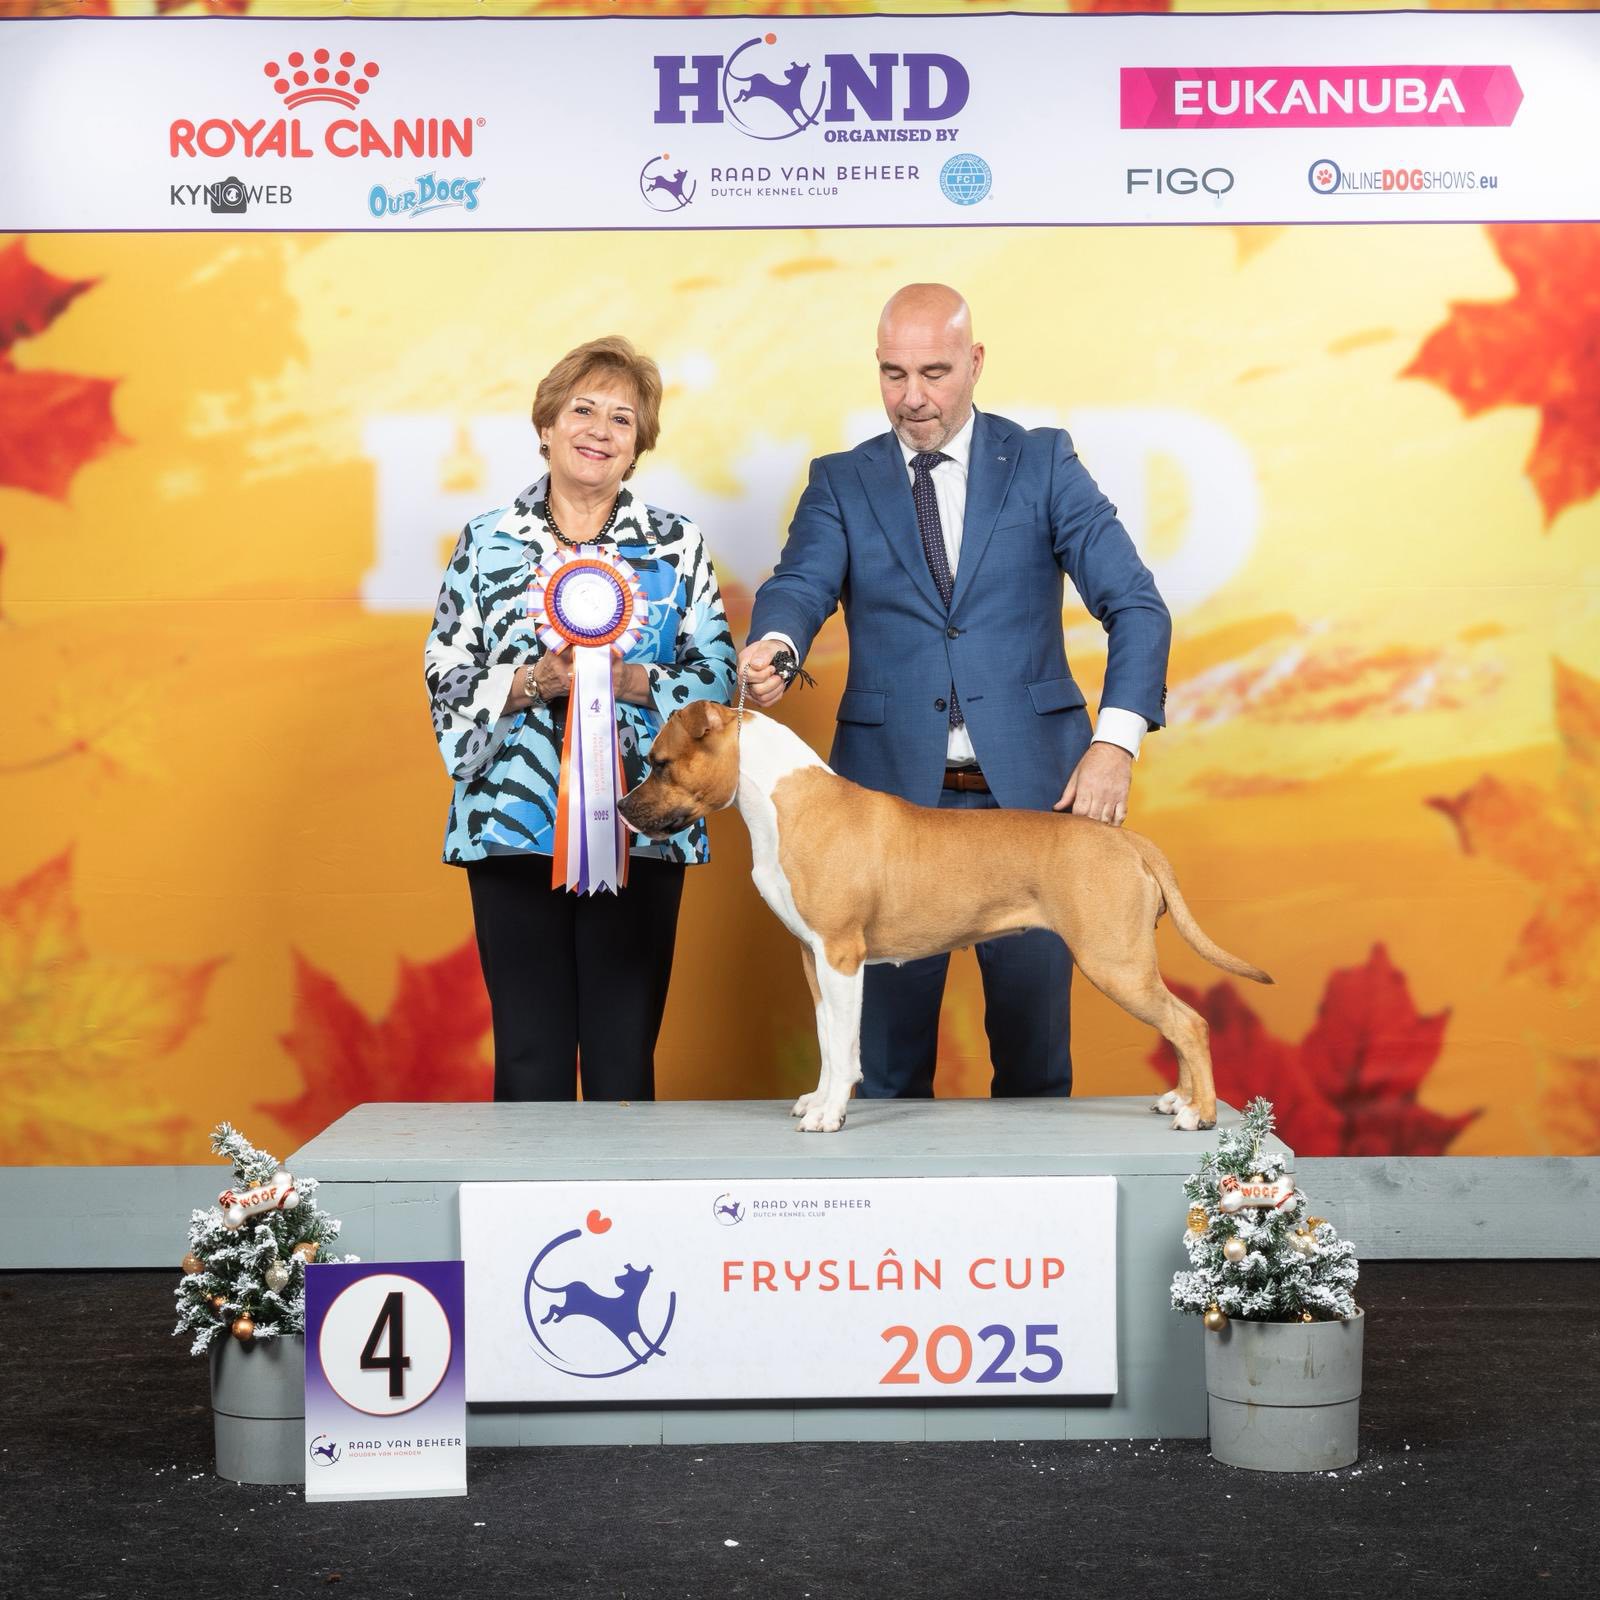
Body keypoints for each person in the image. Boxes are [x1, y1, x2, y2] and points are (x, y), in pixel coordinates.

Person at [740, 284, 1170, 1101]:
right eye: (893, 374)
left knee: (1035, 1069)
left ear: (975, 362)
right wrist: (778, 643)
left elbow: (1137, 606)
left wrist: (1114, 743)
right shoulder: (841, 480)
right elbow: (799, 583)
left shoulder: (1044, 462)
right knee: (884, 1076)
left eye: (934, 373)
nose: (912, 397)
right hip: (886, 814)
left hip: (1035, 808)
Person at [426, 335, 736, 1102]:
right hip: (509, 824)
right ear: (546, 426)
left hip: (645, 823)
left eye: (621, 419)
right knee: (528, 1056)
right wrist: (534, 681)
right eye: (582, 410)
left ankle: (620, 1190)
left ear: (639, 443)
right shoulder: (487, 540)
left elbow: (719, 678)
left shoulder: (679, 545)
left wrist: (636, 681)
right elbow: (445, 671)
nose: (599, 430)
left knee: (623, 1057)